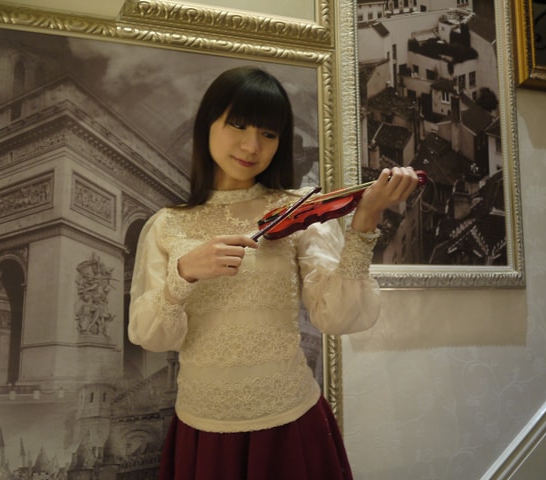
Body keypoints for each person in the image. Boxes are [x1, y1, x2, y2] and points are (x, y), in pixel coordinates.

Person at [128, 66, 419, 480]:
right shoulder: (166, 224)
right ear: (207, 123)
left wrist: (365, 220)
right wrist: (183, 273)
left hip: (291, 424)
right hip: (203, 426)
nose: (252, 146)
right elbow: (151, 336)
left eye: (269, 133)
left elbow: (336, 316)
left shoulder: (295, 210)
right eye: (238, 125)